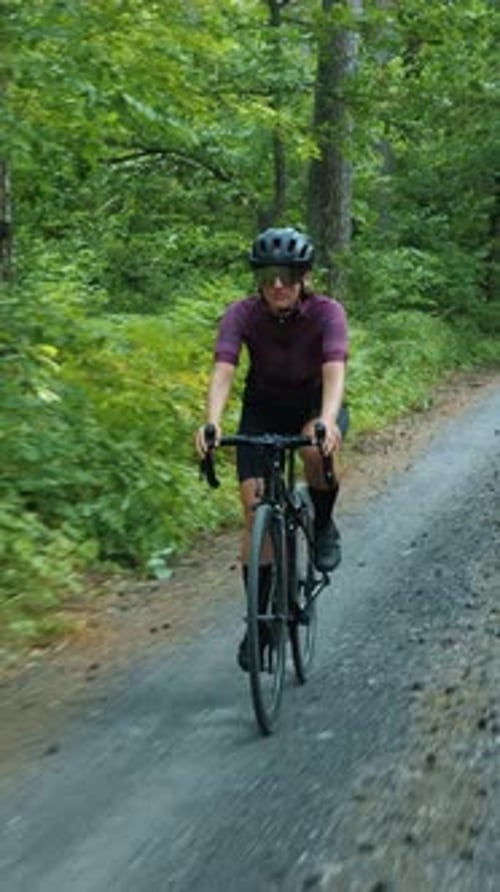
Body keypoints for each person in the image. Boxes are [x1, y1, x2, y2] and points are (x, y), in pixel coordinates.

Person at [196, 226, 349, 670]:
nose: (277, 284)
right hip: (262, 413)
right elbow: (224, 367)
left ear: (302, 276)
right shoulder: (242, 315)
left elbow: (335, 367)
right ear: (258, 280)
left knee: (316, 452)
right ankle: (261, 623)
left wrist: (326, 417)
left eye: (286, 274)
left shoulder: (326, 313)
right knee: (254, 511)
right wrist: (212, 421)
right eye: (267, 276)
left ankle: (322, 524)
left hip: (313, 404)